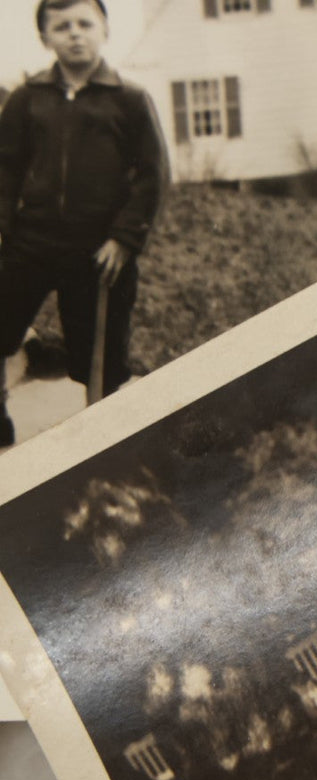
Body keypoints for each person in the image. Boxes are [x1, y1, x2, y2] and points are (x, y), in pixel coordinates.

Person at [0, 0, 168, 446]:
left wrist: (124, 238)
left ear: (105, 30)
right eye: (61, 26)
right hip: (28, 243)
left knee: (101, 352)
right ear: (45, 38)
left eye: (84, 23)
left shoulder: (129, 100)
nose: (75, 33)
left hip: (98, 250)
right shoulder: (26, 99)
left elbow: (153, 175)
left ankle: (100, 436)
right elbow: (6, 170)